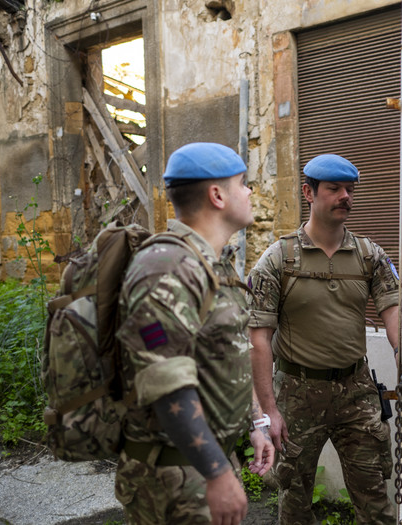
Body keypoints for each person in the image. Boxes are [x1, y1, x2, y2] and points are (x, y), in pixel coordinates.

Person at [248, 153, 402, 524]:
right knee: (294, 502)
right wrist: (267, 411)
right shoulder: (278, 260)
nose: (345, 196)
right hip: (296, 393)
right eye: (334, 189)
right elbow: (259, 341)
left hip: (356, 391)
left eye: (349, 189)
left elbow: (393, 313)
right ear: (309, 192)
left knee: (375, 502)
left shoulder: (369, 254)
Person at [114, 142, 274, 525]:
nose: (250, 192)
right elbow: (166, 384)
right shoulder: (165, 268)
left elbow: (228, 353)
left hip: (205, 460)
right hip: (173, 476)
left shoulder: (210, 265)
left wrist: (256, 424)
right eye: (242, 183)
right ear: (217, 195)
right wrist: (217, 473)